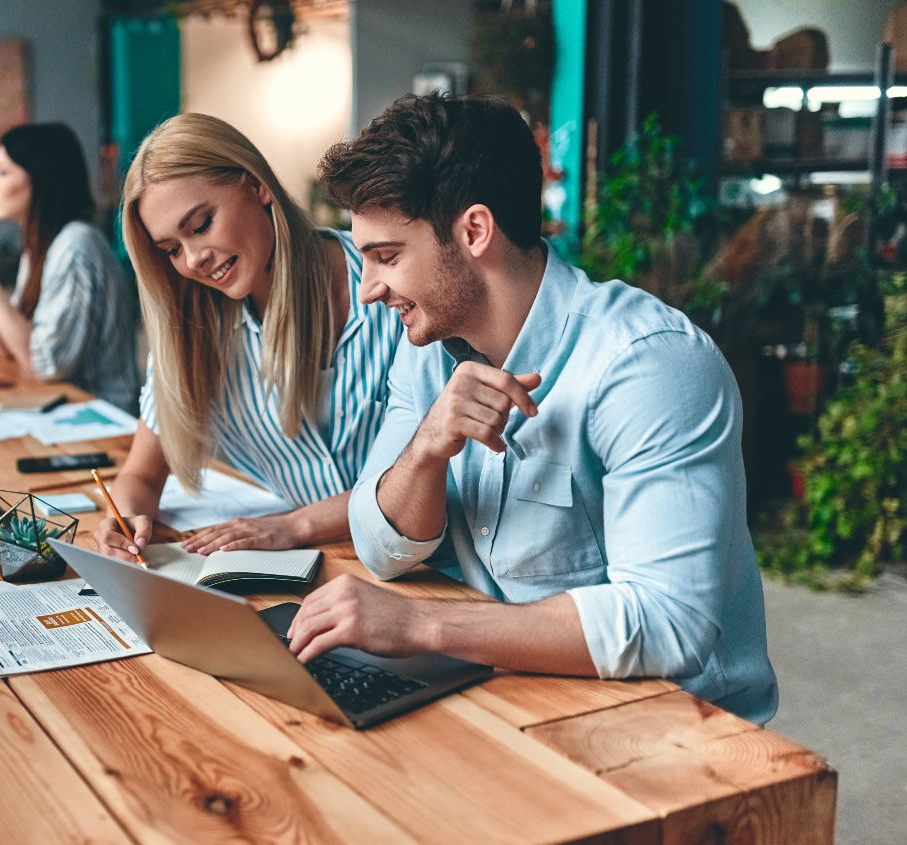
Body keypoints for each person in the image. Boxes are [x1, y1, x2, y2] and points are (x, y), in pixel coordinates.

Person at [287, 93, 777, 724]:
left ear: (474, 232)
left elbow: (670, 624)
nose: (370, 290)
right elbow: (383, 549)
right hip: (508, 693)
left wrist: (424, 623)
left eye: (387, 257)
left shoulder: (649, 364)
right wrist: (428, 447)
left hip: (675, 729)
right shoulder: (427, 346)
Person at [91, 113, 405, 560]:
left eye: (201, 225)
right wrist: (123, 522)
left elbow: (443, 471)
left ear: (256, 185)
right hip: (321, 570)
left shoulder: (389, 286)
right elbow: (140, 476)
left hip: (429, 568)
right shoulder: (191, 330)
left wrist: (296, 526)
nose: (195, 259)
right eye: (172, 250)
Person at [0, 123, 139, 411]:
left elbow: (44, 364)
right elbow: (8, 349)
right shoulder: (38, 249)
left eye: (3, 172)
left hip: (101, 420)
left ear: (41, 179)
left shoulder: (75, 247)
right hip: (63, 410)